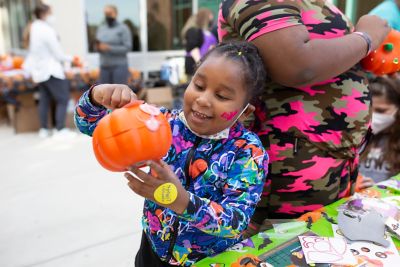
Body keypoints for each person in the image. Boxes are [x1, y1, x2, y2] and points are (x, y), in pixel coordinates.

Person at [75, 42, 269, 266]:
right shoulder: (160, 122)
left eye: (222, 96)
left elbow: (236, 222)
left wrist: (181, 201)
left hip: (206, 261)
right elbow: (90, 125)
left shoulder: (247, 152)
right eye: (198, 85)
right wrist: (97, 96)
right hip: (152, 248)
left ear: (245, 111)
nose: (203, 99)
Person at [218, 0, 390, 229]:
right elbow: (297, 65)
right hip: (283, 177)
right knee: (280, 255)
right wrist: (366, 38)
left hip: (334, 168)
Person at [23, 3, 73, 138]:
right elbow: (58, 54)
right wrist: (70, 58)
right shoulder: (46, 30)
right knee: (63, 98)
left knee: (44, 100)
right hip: (51, 70)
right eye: (51, 13)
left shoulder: (33, 28)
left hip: (40, 71)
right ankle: (60, 129)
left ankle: (44, 129)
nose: (53, 16)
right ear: (44, 14)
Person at [357, 76, 400, 190]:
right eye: (368, 110)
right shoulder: (353, 136)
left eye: (381, 111)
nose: (373, 116)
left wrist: (380, 188)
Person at [95, 5, 132, 84]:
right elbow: (97, 46)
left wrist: (109, 48)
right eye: (105, 14)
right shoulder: (101, 28)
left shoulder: (123, 28)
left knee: (118, 94)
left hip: (119, 67)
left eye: (109, 13)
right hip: (104, 67)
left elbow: (128, 47)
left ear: (116, 14)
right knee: (104, 94)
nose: (107, 16)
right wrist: (98, 47)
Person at [183, 8, 217, 78]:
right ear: (204, 19)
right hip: (195, 67)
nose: (211, 22)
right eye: (209, 19)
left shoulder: (206, 32)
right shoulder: (194, 31)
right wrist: (201, 65)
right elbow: (193, 49)